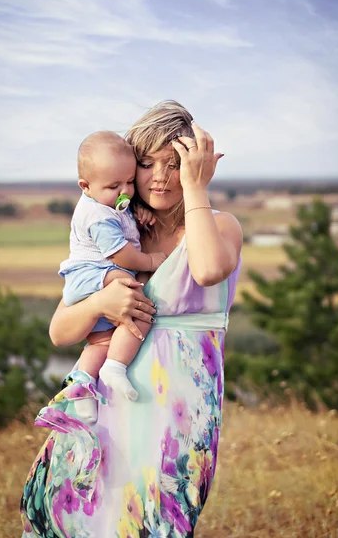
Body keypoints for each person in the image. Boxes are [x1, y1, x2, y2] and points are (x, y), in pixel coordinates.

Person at [20, 100, 243, 538]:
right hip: (107, 403)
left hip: (176, 411)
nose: (160, 175)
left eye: (175, 163)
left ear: (196, 168)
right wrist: (102, 306)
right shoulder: (121, 236)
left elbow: (208, 269)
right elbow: (61, 331)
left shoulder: (221, 225)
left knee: (154, 522)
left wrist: (197, 190)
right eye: (146, 163)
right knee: (87, 518)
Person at [59, 130, 166, 423]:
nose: (125, 192)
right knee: (139, 303)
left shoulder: (108, 203)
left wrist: (138, 213)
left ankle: (81, 382)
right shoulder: (98, 215)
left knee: (101, 341)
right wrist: (149, 260)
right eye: (114, 185)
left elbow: (125, 216)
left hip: (93, 277)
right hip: (93, 274)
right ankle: (115, 367)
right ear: (85, 186)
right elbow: (119, 252)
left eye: (130, 182)